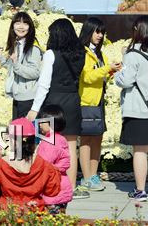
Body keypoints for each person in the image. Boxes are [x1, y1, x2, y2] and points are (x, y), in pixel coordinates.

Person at [26, 18, 85, 199]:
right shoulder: (80, 52)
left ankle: (51, 183)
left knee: (49, 145)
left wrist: (35, 108)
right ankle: (72, 186)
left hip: (53, 103)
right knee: (71, 147)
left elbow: (44, 84)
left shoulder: (51, 54)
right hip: (73, 101)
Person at [115, 15, 148, 201]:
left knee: (139, 150)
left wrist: (118, 74)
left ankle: (140, 191)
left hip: (139, 108)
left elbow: (127, 81)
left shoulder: (132, 55)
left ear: (138, 30)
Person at [77, 17, 122, 194]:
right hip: (86, 101)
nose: (100, 35)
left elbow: (100, 77)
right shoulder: (83, 52)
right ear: (88, 31)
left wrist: (111, 70)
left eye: (102, 32)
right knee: (86, 140)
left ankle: (93, 176)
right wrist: (106, 69)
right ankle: (86, 177)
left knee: (97, 138)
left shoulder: (99, 53)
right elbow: (87, 77)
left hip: (98, 100)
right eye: (97, 31)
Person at [0, 117, 61, 210]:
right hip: (34, 213)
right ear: (33, 141)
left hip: (8, 213)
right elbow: (52, 191)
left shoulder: (1, 164)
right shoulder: (45, 166)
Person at [0, 12, 42, 119]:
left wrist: (16, 64)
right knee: (17, 133)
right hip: (17, 97)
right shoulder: (17, 44)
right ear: (12, 26)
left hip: (28, 98)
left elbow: (35, 72)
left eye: (25, 23)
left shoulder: (33, 48)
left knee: (24, 133)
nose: (21, 27)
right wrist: (1, 57)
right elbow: (13, 67)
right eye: (17, 23)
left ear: (30, 27)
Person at [36, 105, 73, 214]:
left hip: (52, 190)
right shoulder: (60, 138)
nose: (39, 124)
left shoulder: (50, 142)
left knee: (50, 219)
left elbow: (43, 164)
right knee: (60, 218)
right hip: (62, 187)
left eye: (42, 122)